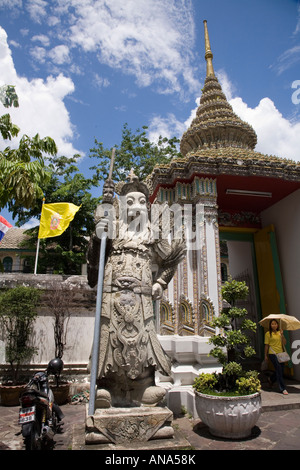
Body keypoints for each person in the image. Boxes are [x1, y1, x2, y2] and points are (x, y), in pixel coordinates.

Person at [264, 319, 288, 395]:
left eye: (275, 324)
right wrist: (266, 355)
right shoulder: (268, 334)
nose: (274, 325)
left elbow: (284, 343)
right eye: (272, 324)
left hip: (280, 354)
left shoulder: (279, 333)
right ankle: (282, 388)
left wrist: (282, 335)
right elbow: (266, 345)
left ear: (278, 325)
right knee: (279, 370)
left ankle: (270, 379)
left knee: (281, 370)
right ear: (270, 325)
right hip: (272, 354)